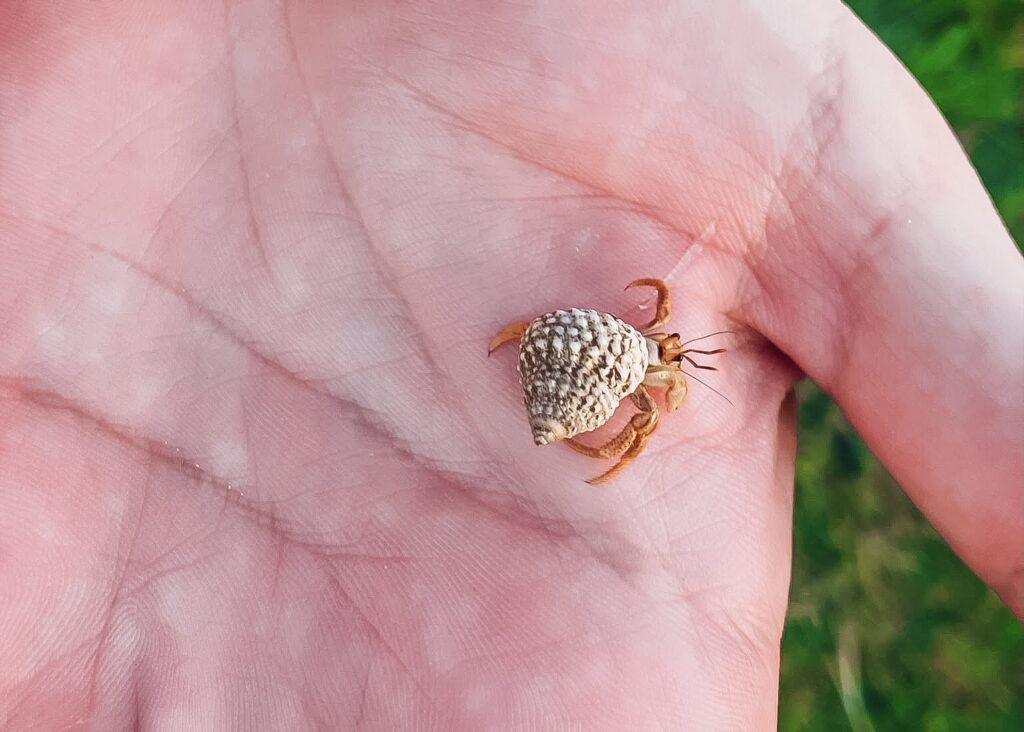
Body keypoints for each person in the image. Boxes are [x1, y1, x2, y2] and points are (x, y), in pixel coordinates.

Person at [0, 1, 1020, 728]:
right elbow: (650, 329)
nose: (669, 354)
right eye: (665, 353)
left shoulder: (638, 363)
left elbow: (649, 342)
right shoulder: (641, 352)